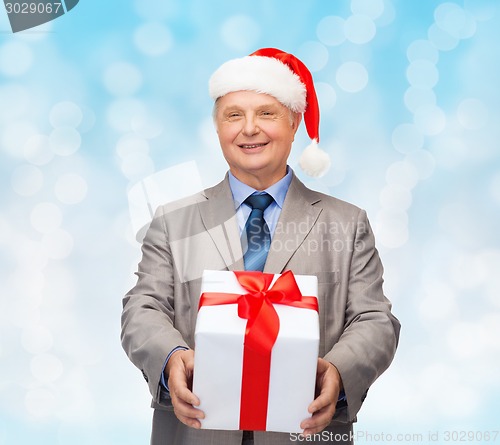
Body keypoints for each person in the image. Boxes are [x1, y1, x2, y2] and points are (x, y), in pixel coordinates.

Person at [121, 48, 400, 445]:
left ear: (294, 121)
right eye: (233, 115)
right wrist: (170, 358)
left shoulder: (346, 223)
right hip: (196, 429)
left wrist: (339, 370)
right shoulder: (173, 220)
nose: (249, 129)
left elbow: (375, 319)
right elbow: (142, 307)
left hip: (305, 432)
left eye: (266, 113)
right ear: (217, 127)